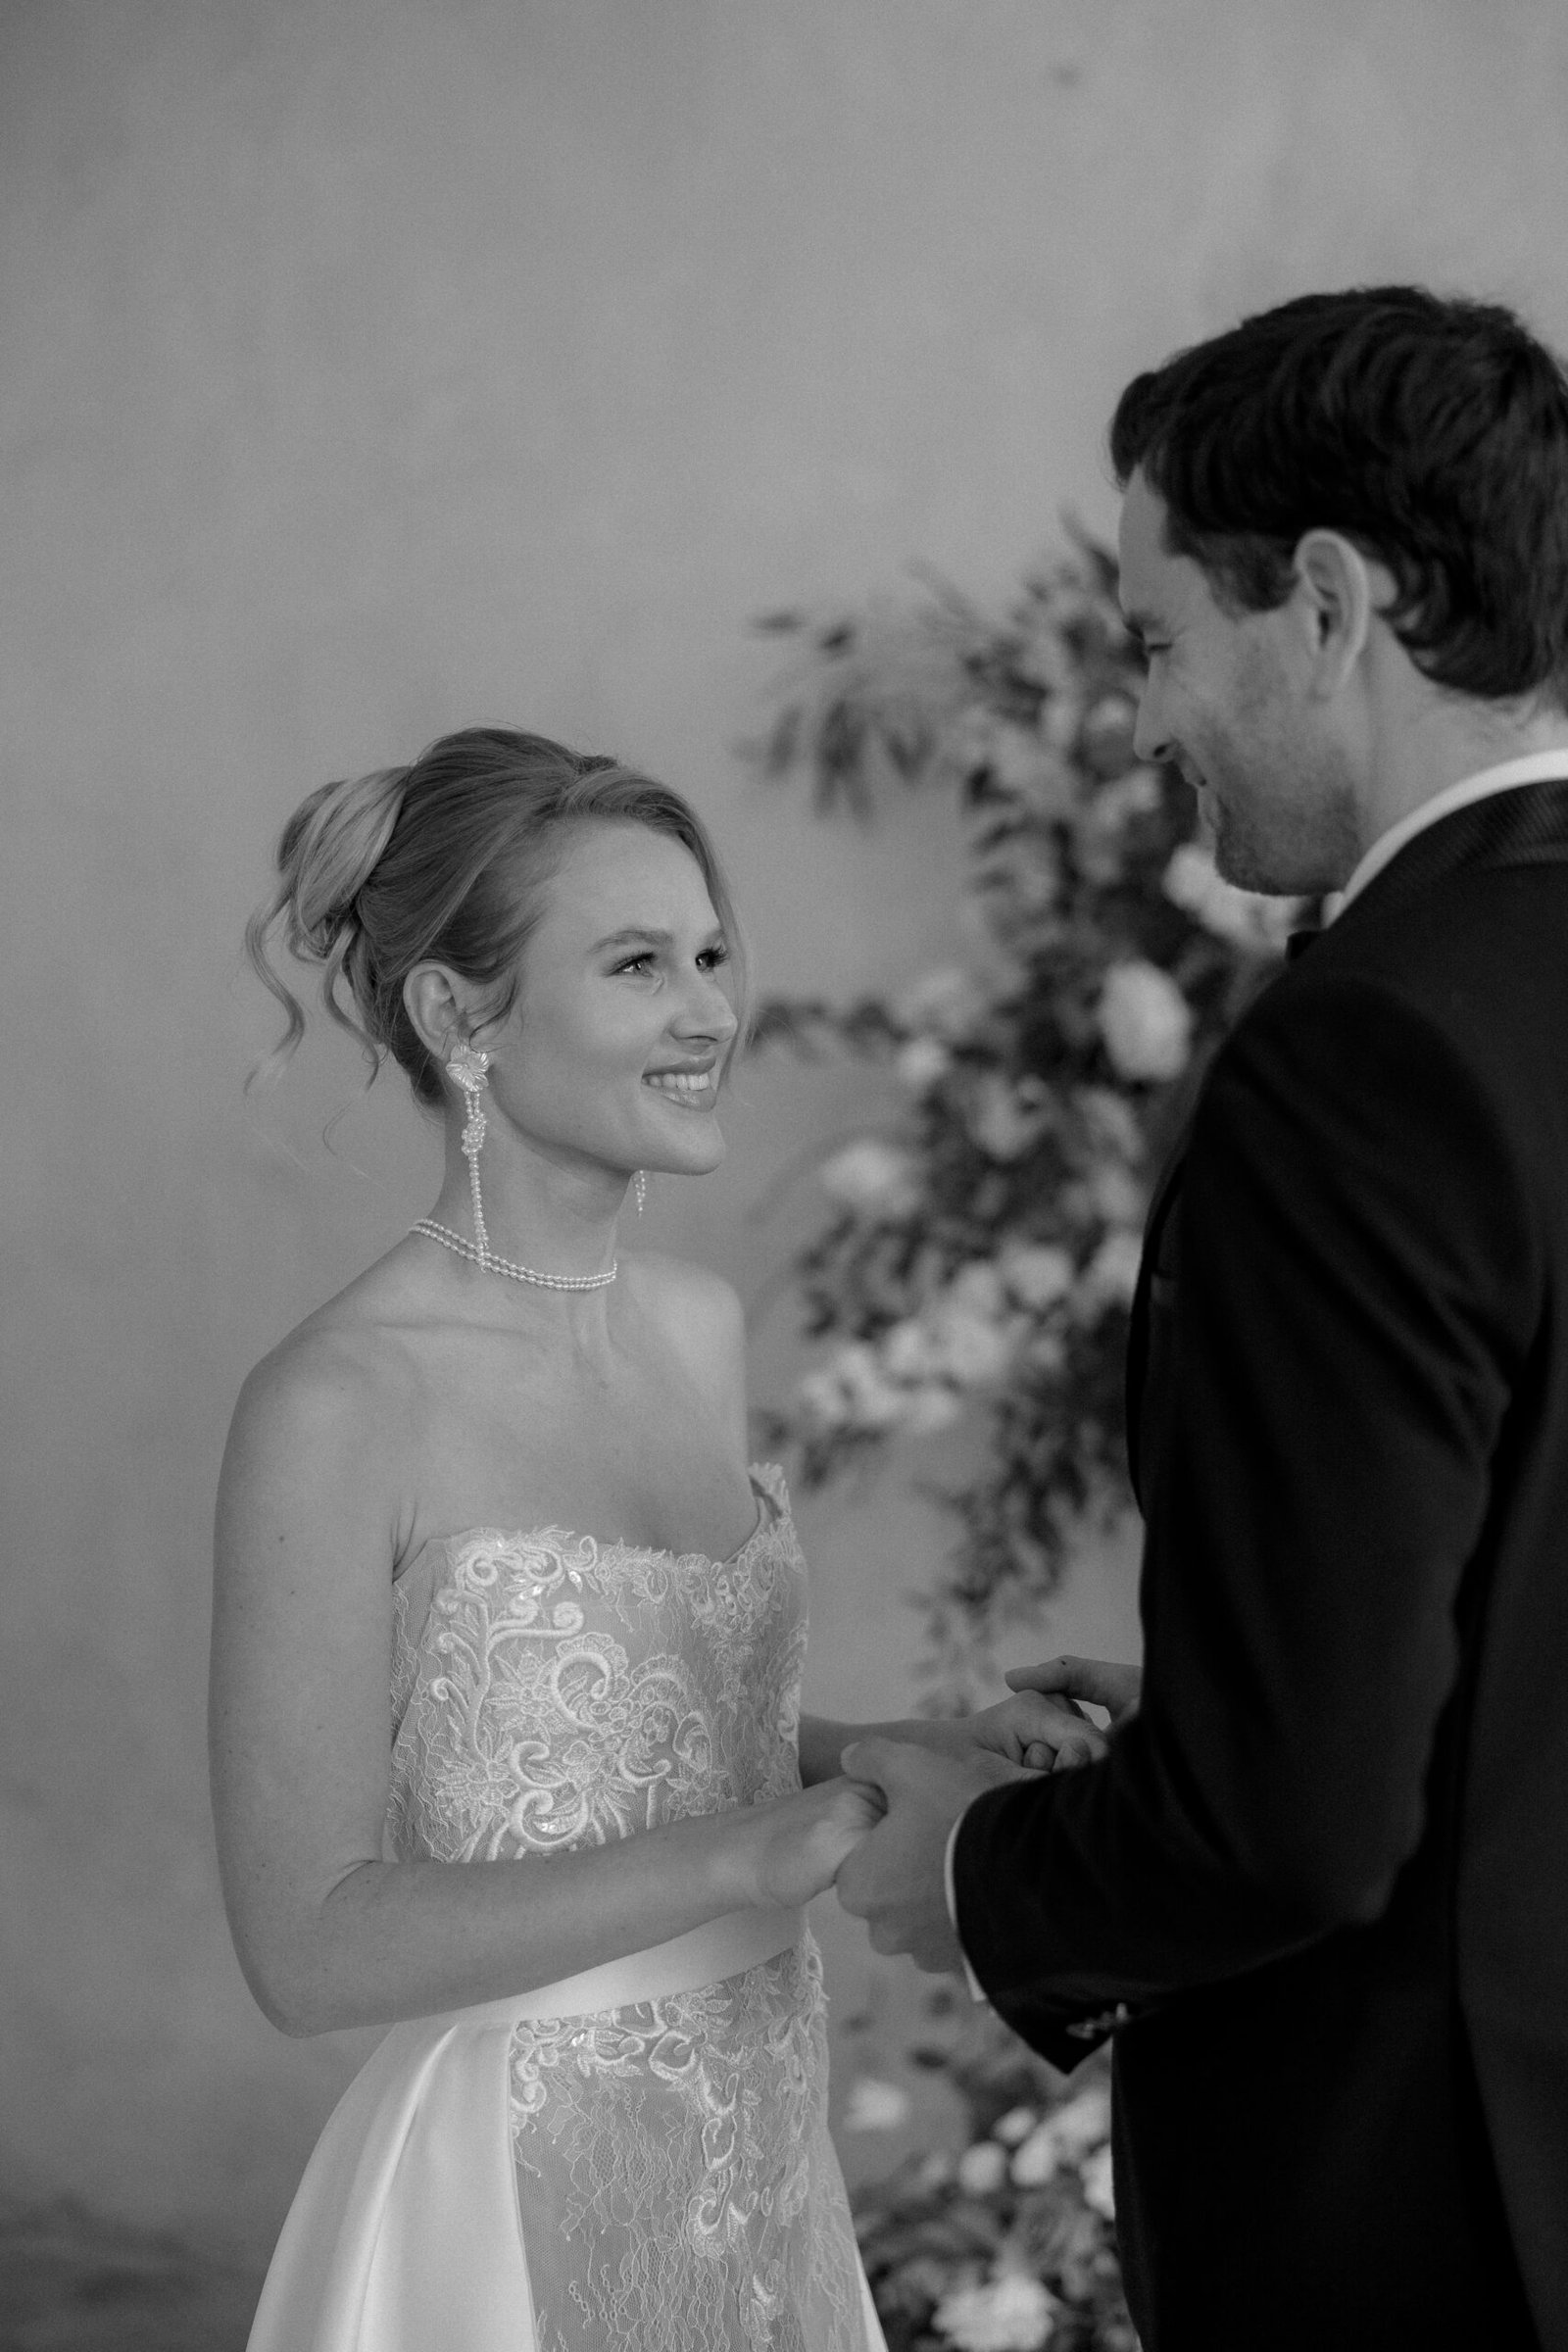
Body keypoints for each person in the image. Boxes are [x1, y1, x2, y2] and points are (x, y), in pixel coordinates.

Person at [833, 288, 1568, 2349]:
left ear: (1327, 604)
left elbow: (1301, 1825)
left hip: (1433, 2227)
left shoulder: (1369, 1056)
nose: (1137, 720)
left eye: (1156, 641)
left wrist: (983, 1874)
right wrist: (1221, 1706)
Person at [211, 727, 1096, 2352]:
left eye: (708, 952)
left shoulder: (697, 1328)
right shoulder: (335, 1402)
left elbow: (662, 1733)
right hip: (511, 2188)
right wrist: (762, 1853)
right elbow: (308, 1941)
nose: (710, 1012)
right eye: (637, 964)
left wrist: (891, 1752)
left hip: (760, 2158)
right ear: (456, 1014)